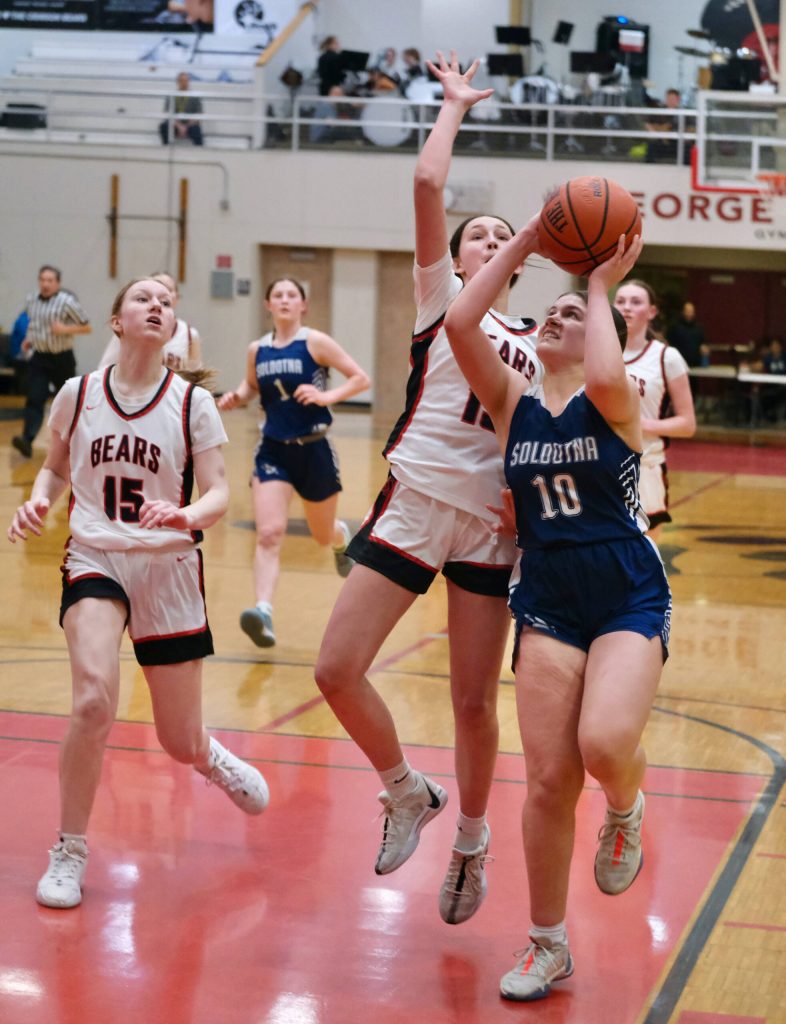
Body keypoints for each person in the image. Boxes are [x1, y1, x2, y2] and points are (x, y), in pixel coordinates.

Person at [314, 52, 542, 927]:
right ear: (453, 258)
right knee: (336, 668)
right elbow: (424, 182)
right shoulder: (440, 300)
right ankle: (405, 789)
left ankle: (472, 843)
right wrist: (452, 106)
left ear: (518, 266)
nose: (485, 239)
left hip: (490, 528)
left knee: (476, 702)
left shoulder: (535, 340)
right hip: (414, 501)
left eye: (499, 236)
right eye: (474, 234)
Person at [443, 223, 671, 1003]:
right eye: (551, 312)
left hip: (625, 586)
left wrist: (599, 284)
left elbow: (604, 367)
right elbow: (459, 322)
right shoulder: (511, 403)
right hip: (546, 595)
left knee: (605, 745)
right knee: (546, 780)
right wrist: (533, 240)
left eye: (570, 317)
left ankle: (628, 802)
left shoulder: (618, 399)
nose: (555, 318)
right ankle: (548, 945)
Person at [7, 276, 268, 910]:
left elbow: (219, 494)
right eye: (143, 298)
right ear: (116, 320)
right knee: (94, 700)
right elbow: (55, 466)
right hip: (96, 553)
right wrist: (40, 499)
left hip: (169, 566)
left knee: (176, 740)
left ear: (173, 327)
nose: (157, 305)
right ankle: (69, 848)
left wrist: (186, 516)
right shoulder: (79, 393)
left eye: (167, 302)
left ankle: (207, 755)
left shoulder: (190, 404)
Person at [217, 277, 370, 648]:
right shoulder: (258, 350)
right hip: (273, 451)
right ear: (268, 304)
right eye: (278, 295)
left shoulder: (314, 342)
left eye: (292, 295)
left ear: (303, 305)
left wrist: (325, 395)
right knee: (269, 533)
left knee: (321, 535)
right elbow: (253, 385)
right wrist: (237, 396)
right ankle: (263, 611)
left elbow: (360, 378)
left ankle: (339, 540)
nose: (285, 300)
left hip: (315, 449)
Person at [613, 280, 696, 542]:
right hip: (595, 465)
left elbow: (687, 424)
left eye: (635, 302)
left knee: (642, 561)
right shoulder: (595, 353)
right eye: (621, 301)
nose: (626, 307)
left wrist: (637, 424)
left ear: (651, 311)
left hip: (644, 469)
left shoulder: (666, 357)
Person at [12, 265, 91, 459]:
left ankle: (78, 442)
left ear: (57, 283)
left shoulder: (66, 302)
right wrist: (29, 339)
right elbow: (34, 324)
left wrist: (64, 330)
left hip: (61, 358)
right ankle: (27, 440)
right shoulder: (32, 300)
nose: (45, 284)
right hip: (39, 357)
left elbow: (86, 326)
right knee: (34, 397)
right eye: (43, 280)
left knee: (69, 401)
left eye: (50, 280)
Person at [99, 271, 203, 372]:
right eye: (143, 299)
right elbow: (104, 368)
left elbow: (196, 376)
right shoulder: (128, 330)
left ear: (177, 298)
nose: (156, 303)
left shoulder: (190, 334)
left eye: (165, 301)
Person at [159, 72, 204, 146]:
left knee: (196, 129)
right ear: (178, 82)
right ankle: (166, 149)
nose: (184, 83)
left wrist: (187, 126)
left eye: (186, 81)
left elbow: (199, 114)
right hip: (175, 125)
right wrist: (179, 126)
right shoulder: (171, 96)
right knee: (164, 126)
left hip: (190, 125)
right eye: (182, 81)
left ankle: (200, 152)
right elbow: (167, 114)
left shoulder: (195, 97)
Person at [644, 88, 682, 164]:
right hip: (661, 142)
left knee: (687, 148)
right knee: (652, 146)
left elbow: (690, 128)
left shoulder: (683, 113)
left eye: (673, 98)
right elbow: (647, 123)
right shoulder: (659, 111)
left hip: (677, 143)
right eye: (669, 98)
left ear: (678, 99)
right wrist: (655, 131)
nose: (670, 101)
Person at [666, 300, 708, 369]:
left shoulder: (699, 328)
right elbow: (670, 345)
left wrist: (704, 348)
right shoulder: (674, 327)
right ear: (683, 312)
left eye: (691, 311)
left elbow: (703, 343)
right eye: (687, 311)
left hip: (695, 365)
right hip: (679, 365)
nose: (689, 314)